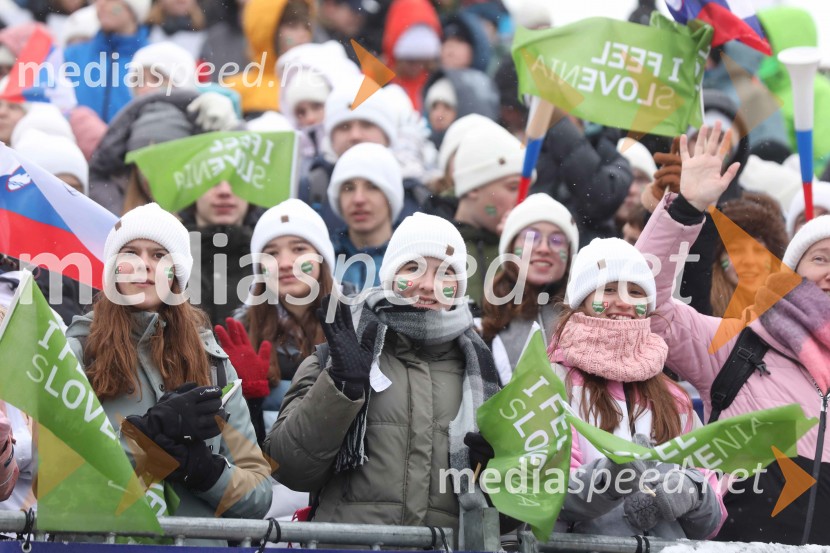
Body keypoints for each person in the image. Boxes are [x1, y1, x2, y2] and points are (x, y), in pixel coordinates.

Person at [636, 122, 830, 544]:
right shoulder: (739, 345)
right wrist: (685, 211)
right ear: (793, 273)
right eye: (821, 257)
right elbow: (647, 309)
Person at [265, 213, 501, 538]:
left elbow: (510, 518)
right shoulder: (336, 353)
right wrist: (338, 391)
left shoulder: (483, 371)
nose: (428, 285)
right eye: (412, 268)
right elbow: (288, 468)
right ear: (390, 275)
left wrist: (494, 475)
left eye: (445, 273)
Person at [65, 203, 272, 545]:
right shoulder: (75, 353)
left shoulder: (213, 362)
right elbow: (61, 474)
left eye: (160, 255)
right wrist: (145, 441)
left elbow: (259, 494)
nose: (144, 264)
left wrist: (201, 469)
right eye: (130, 252)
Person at [549, 237, 725, 539]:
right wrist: (611, 478)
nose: (624, 302)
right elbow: (547, 496)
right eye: (607, 289)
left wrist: (694, 493)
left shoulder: (673, 397)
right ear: (580, 301)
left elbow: (712, 518)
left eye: (635, 291)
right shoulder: (553, 382)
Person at [217, 199, 336, 444]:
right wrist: (247, 399)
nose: (283, 263)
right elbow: (233, 445)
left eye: (299, 248)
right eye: (271, 253)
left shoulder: (360, 324)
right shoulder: (239, 334)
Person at [480, 194, 578, 385]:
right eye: (530, 237)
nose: (543, 248)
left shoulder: (583, 313)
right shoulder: (482, 320)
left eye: (557, 240)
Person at [452, 119, 526, 312]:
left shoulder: (525, 248)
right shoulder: (437, 248)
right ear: (474, 188)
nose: (522, 200)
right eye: (512, 187)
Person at [329, 143, 404, 291]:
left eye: (372, 187)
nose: (358, 199)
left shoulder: (414, 261)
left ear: (391, 197)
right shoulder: (323, 262)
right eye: (348, 188)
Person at [64, 0, 151, 123]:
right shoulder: (72, 55)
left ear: (132, 9)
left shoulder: (151, 58)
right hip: (76, 140)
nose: (101, 4)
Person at [709, 194, 787, 318]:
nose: (749, 261)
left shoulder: (791, 314)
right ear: (717, 258)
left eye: (759, 250)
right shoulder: (699, 310)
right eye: (736, 250)